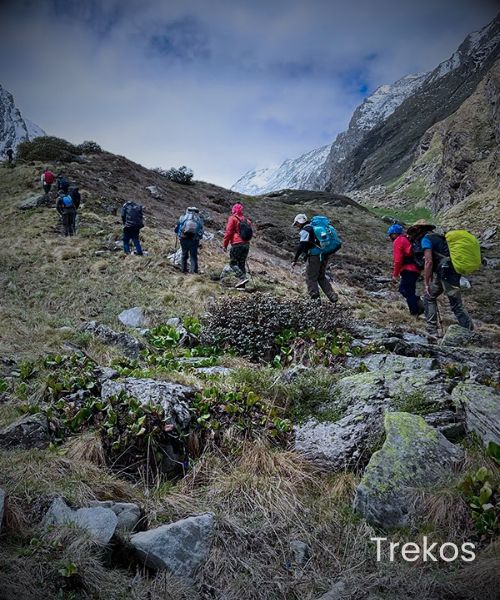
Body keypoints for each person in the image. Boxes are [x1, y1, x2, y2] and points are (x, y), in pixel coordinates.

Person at [406, 219, 473, 338]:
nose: (414, 234)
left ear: (420, 229)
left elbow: (428, 262)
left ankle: (468, 332)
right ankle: (432, 331)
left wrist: (426, 283)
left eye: (415, 230)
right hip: (447, 271)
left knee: (455, 303)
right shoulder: (438, 237)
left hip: (446, 272)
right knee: (429, 297)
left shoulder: (426, 239)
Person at [291, 213, 338, 303]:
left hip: (314, 256)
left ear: (300, 222)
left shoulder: (306, 230)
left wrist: (295, 259)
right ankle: (332, 296)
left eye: (296, 223)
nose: (296, 226)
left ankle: (315, 300)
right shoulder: (314, 227)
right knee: (321, 276)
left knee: (310, 277)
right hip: (324, 254)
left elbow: (302, 245)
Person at [387, 223, 424, 316]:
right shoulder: (407, 239)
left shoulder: (398, 241)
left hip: (408, 270)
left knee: (406, 290)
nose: (390, 237)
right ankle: (418, 306)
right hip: (415, 269)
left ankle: (415, 311)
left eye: (391, 235)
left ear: (394, 234)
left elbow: (398, 260)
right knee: (406, 289)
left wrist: (395, 275)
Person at [223, 202, 253, 287]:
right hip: (246, 244)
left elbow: (228, 232)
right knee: (241, 264)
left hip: (237, 244)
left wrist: (225, 245)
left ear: (233, 210)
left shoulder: (233, 218)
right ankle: (242, 286)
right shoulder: (247, 220)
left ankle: (242, 278)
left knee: (233, 263)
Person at [175, 207, 204, 274]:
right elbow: (201, 230)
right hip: (194, 240)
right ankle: (193, 271)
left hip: (183, 238)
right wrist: (199, 237)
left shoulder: (183, 217)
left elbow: (177, 228)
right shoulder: (199, 219)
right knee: (193, 255)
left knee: (184, 253)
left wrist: (178, 233)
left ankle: (183, 270)